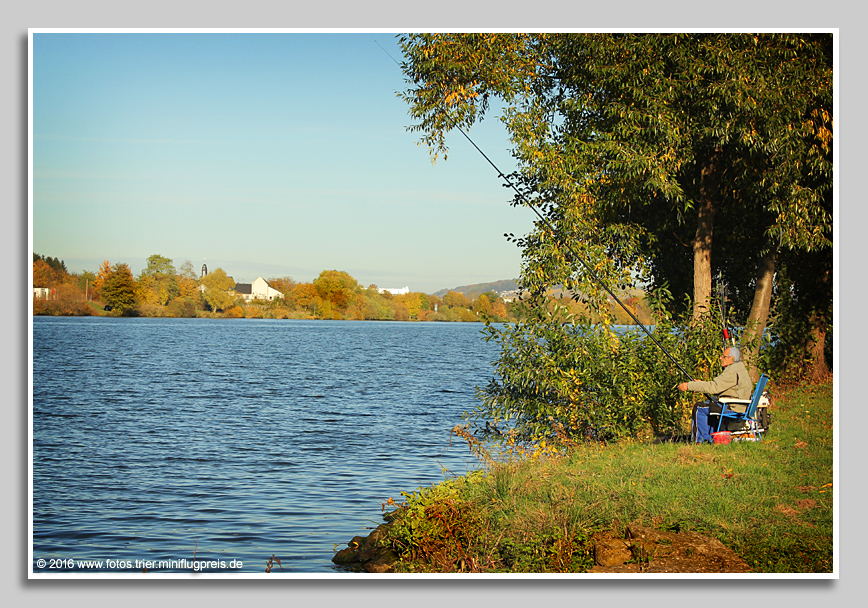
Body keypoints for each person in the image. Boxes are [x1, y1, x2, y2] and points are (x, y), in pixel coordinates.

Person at [678, 346, 753, 443]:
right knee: (710, 403)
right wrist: (700, 383)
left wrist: (689, 385)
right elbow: (720, 386)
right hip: (739, 405)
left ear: (732, 358)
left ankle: (700, 441)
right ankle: (710, 438)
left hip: (733, 407)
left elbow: (713, 388)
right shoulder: (740, 367)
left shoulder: (731, 371)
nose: (721, 358)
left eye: (724, 356)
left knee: (699, 408)